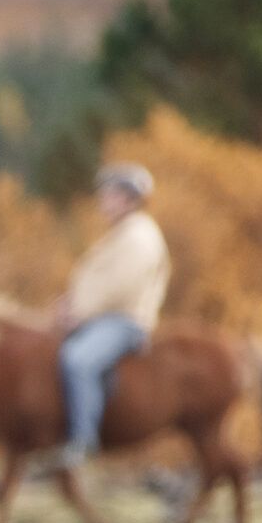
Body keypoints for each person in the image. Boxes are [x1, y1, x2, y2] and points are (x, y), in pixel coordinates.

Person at [51, 163, 170, 474]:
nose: (103, 200)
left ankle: (83, 441)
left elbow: (118, 286)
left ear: (129, 199)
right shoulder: (122, 235)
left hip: (123, 321)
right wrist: (70, 304)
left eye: (110, 194)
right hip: (102, 317)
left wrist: (77, 313)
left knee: (78, 359)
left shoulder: (139, 237)